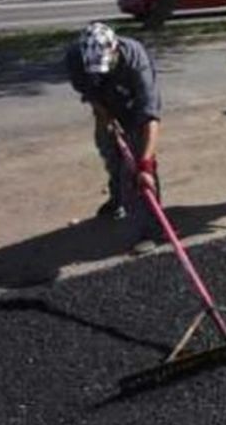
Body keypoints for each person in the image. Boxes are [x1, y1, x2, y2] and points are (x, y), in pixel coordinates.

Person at [65, 22, 163, 255]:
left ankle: (150, 229)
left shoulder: (136, 61)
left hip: (133, 104)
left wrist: (145, 165)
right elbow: (88, 91)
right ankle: (118, 198)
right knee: (109, 152)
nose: (103, 70)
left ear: (115, 49)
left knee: (138, 170)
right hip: (106, 104)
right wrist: (104, 114)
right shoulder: (75, 57)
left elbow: (150, 117)